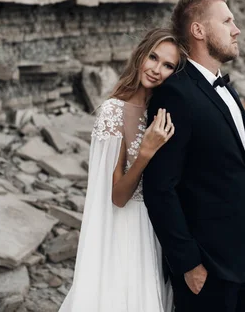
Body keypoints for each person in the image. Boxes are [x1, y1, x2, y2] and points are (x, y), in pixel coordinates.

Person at [142, 0, 245, 312]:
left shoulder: (225, 87)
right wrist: (188, 263)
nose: (236, 29)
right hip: (208, 271)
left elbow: (243, 174)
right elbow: (160, 187)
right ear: (199, 30)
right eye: (227, 21)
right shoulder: (175, 95)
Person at [59, 28, 188, 312]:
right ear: (140, 55)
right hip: (126, 228)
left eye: (168, 66)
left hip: (157, 229)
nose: (156, 69)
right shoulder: (113, 111)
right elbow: (117, 196)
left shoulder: (163, 112)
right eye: (153, 58)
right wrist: (146, 151)